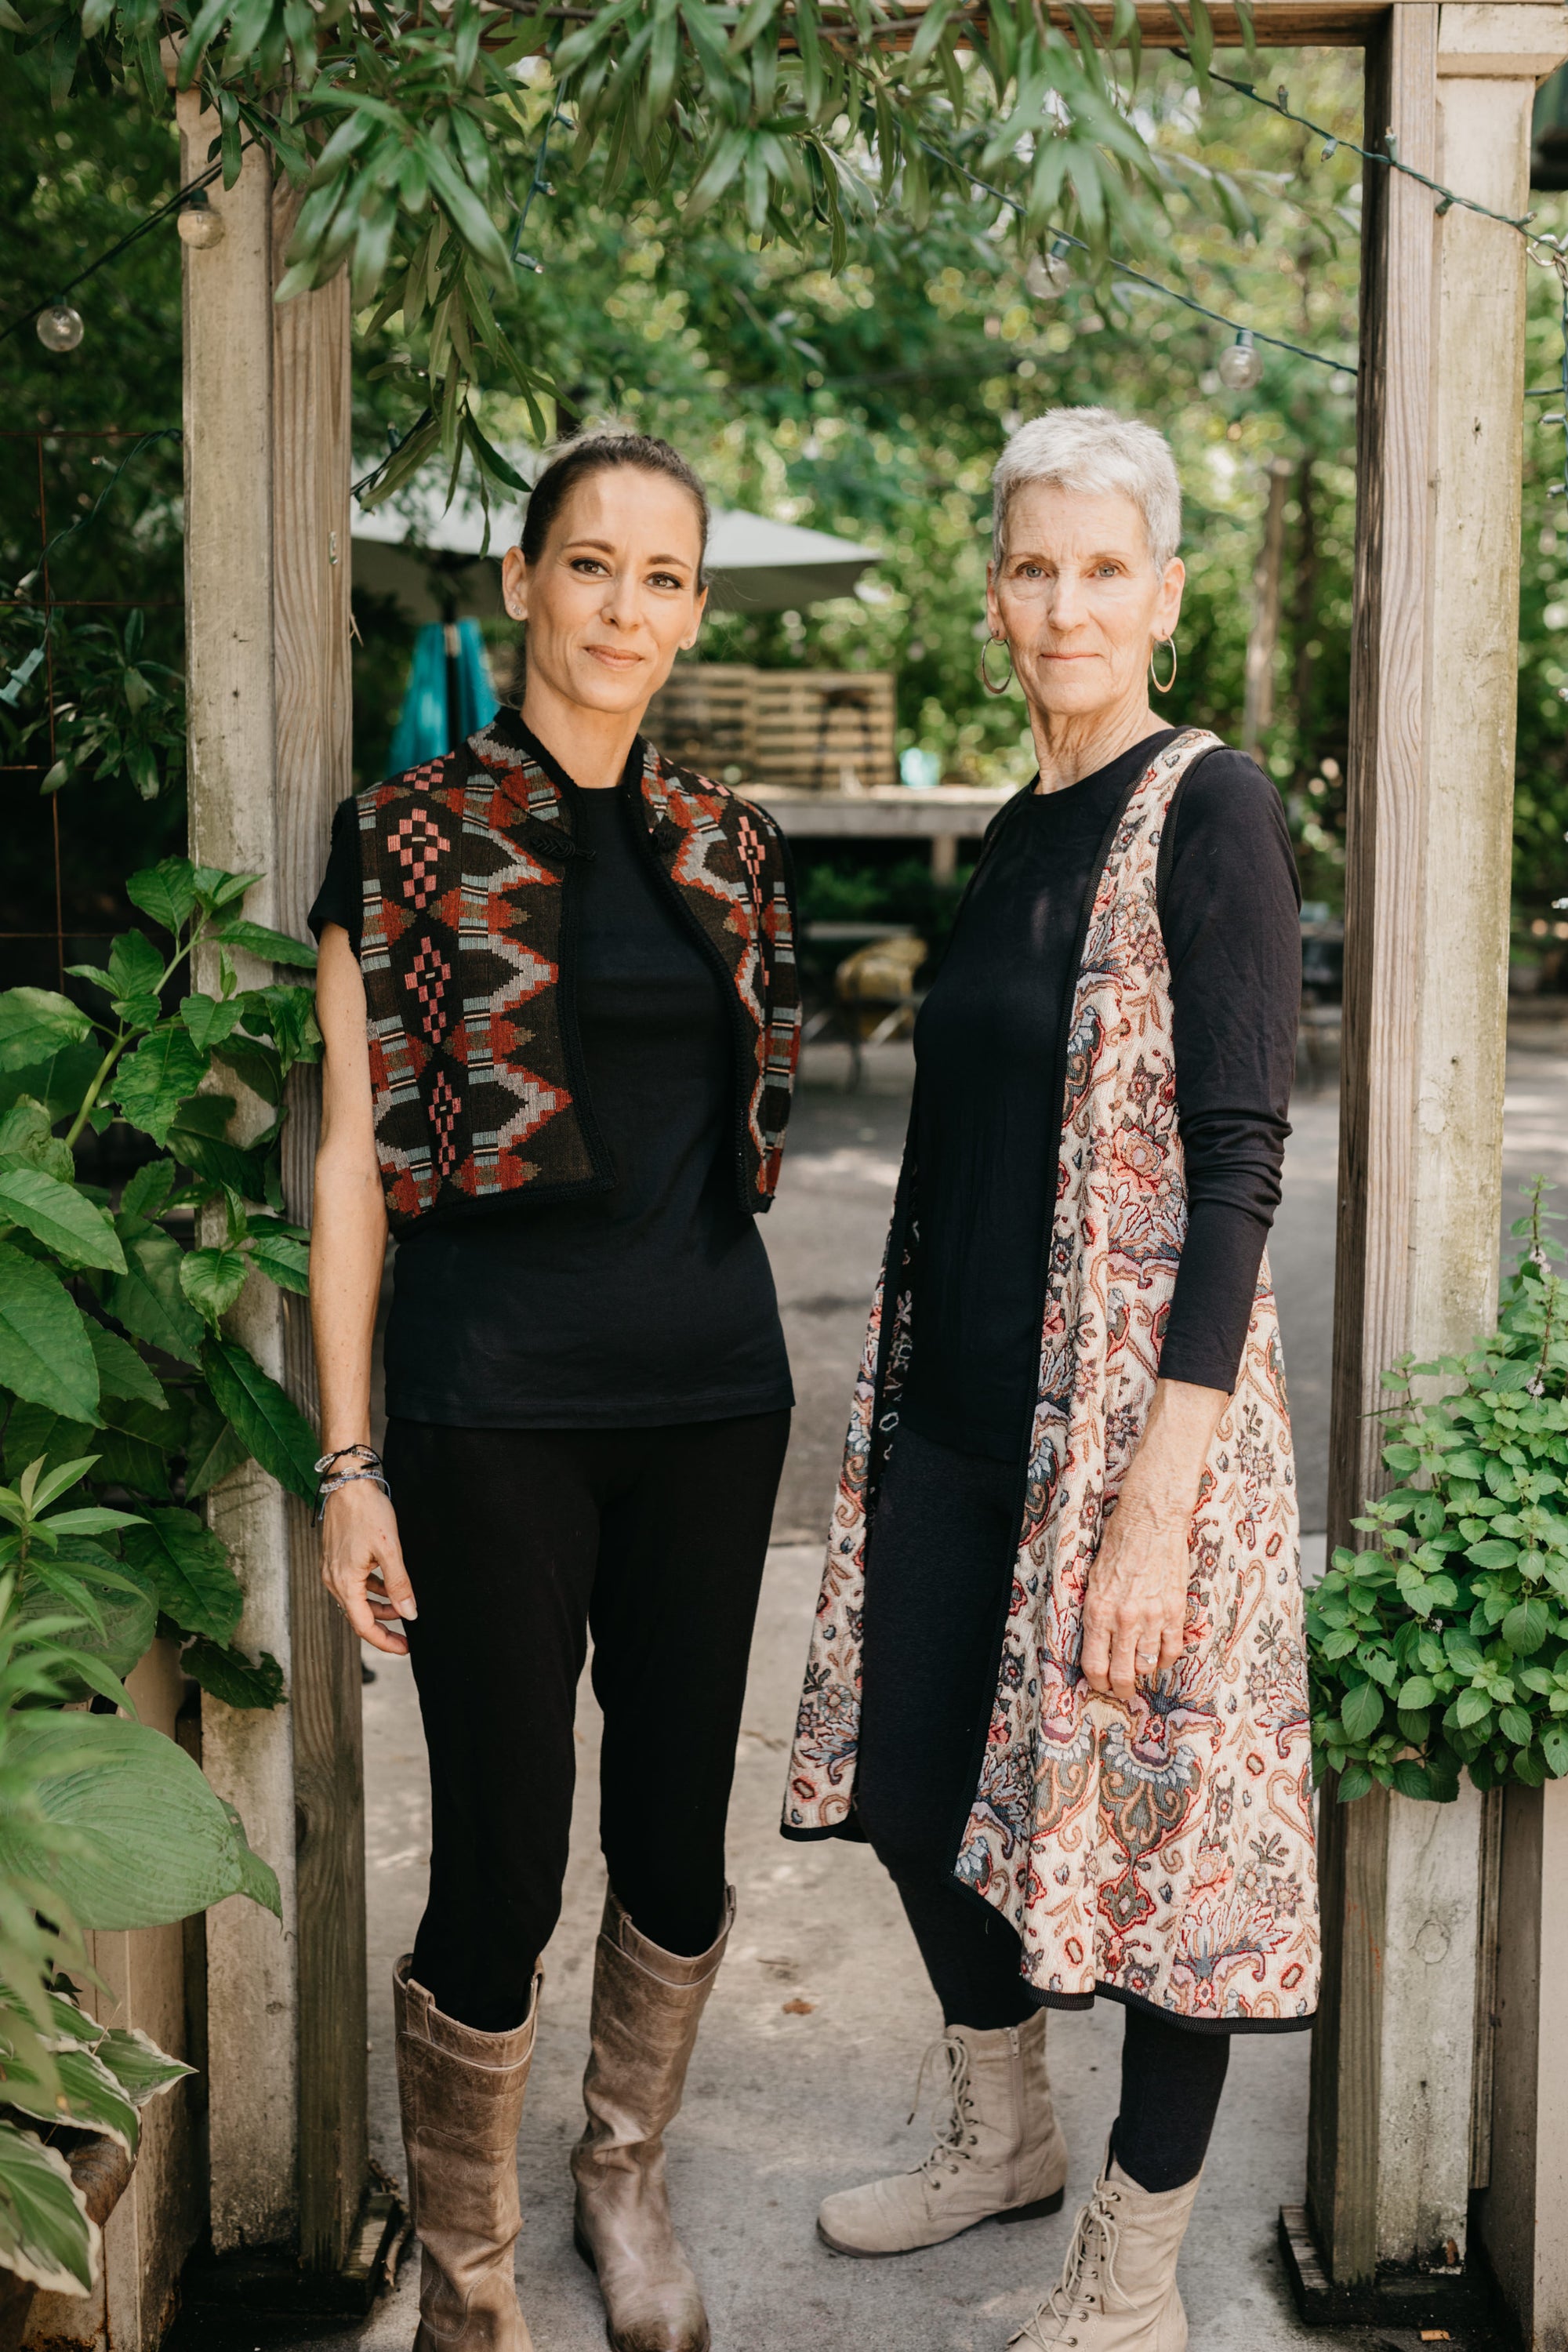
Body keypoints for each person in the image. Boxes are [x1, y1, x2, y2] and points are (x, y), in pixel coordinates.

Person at [783, 407, 1319, 2351]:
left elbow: (1242, 1159)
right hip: (960, 1425)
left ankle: (1136, 2267)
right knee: (915, 1791)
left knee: (1173, 1858)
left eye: (1104, 568)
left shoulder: (1213, 810)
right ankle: (1000, 2128)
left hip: (1140, 1441)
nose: (1064, 602)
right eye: (1032, 566)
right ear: (993, 594)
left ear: (1161, 598)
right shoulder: (1014, 830)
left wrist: (1161, 1499)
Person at [309, 431, 800, 2352]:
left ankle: (618, 2170)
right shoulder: (401, 829)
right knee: (504, 1849)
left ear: (692, 610)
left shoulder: (728, 840)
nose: (624, 607)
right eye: (588, 565)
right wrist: (349, 1461)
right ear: (519, 583)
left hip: (708, 1400)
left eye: (662, 576)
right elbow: (350, 1163)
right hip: (484, 1406)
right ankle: (472, 2275)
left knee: (675, 1829)